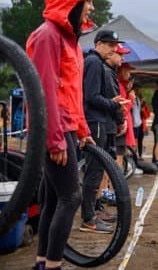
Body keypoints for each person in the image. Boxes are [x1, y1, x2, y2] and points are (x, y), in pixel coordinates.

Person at [26, 0, 95, 269]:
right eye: (87, 1)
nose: (91, 7)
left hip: (65, 127)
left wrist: (82, 129)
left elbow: (71, 93)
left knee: (54, 200)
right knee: (71, 197)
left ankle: (42, 263)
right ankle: (53, 265)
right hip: (52, 130)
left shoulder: (71, 41)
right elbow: (44, 92)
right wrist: (54, 138)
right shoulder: (47, 36)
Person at [81, 30, 129, 234]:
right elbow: (91, 96)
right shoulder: (93, 62)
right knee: (93, 171)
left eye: (114, 44)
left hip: (101, 121)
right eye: (110, 44)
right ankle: (88, 218)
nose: (114, 48)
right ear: (98, 44)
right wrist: (112, 104)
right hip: (96, 122)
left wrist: (112, 105)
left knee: (98, 170)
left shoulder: (97, 63)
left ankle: (94, 211)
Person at [138, 85, 151, 160]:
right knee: (136, 141)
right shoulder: (135, 103)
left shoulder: (144, 105)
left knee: (140, 141)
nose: (141, 100)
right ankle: (136, 154)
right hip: (136, 124)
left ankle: (140, 155)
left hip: (142, 125)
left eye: (142, 99)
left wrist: (143, 111)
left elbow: (147, 115)